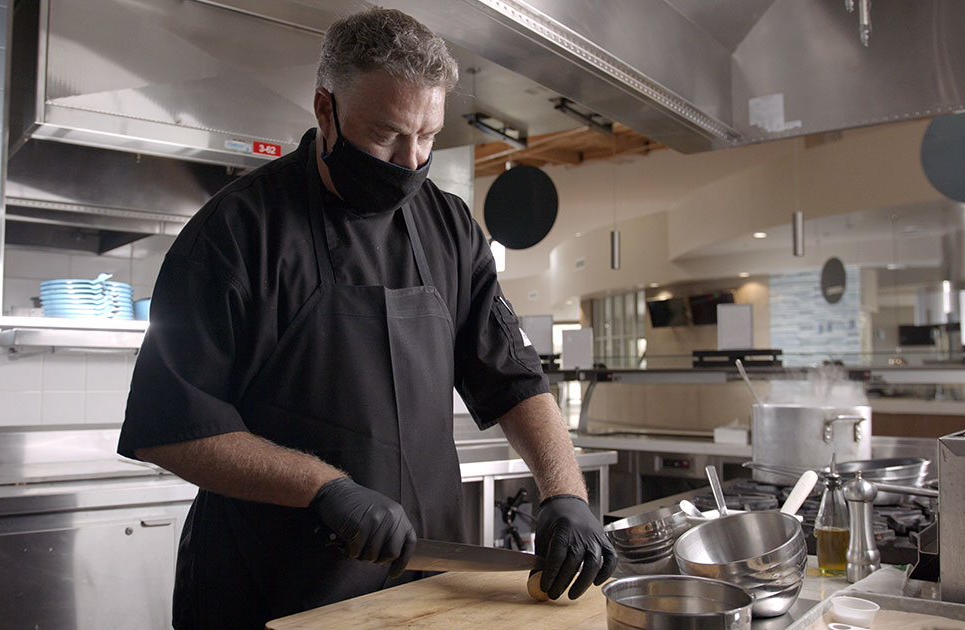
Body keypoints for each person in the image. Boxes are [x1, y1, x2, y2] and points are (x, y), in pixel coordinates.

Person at [118, 8, 616, 630]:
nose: (410, 161)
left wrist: (564, 493)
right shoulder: (236, 233)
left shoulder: (451, 227)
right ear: (326, 111)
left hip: (424, 591)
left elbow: (514, 378)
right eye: (385, 136)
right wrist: (326, 488)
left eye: (428, 136)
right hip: (273, 589)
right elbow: (174, 427)